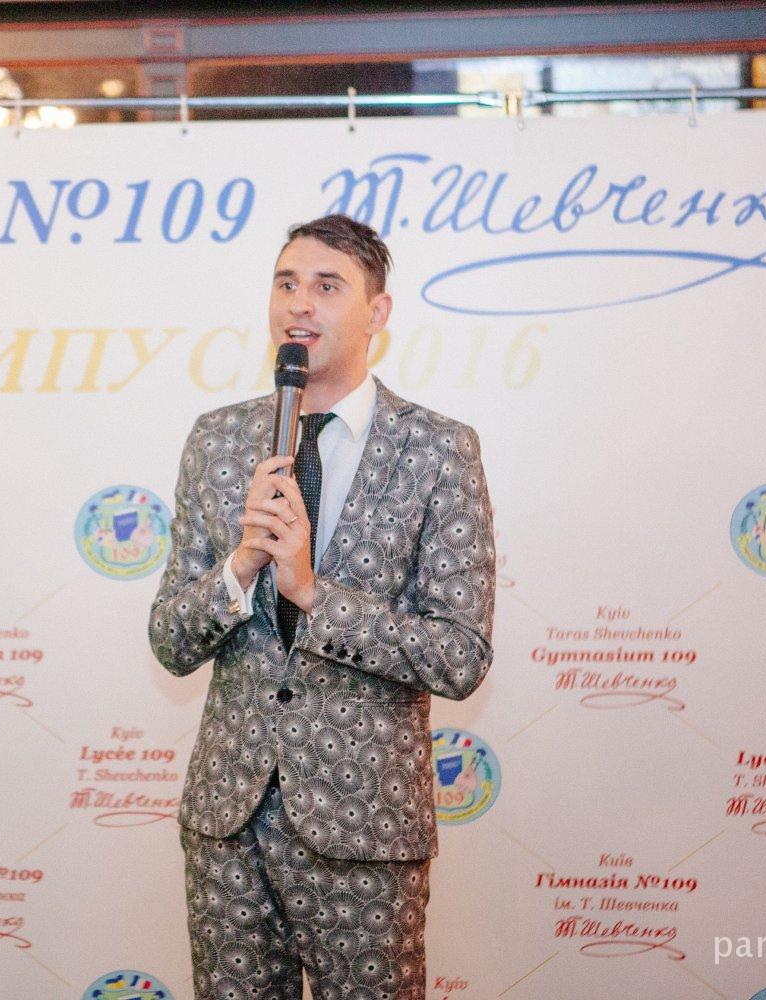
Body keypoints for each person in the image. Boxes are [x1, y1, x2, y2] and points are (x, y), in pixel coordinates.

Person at [147, 213, 496, 999]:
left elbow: (461, 654)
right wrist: (242, 566)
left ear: (378, 312)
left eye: (327, 286)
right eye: (286, 284)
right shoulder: (219, 438)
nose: (299, 304)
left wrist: (312, 592)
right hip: (228, 825)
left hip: (365, 829)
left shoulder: (438, 449)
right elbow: (169, 639)